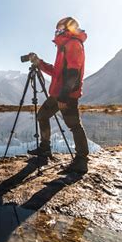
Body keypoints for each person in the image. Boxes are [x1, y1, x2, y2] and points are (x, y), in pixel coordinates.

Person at [27, 17, 89, 174]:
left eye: (59, 29)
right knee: (42, 116)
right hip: (57, 94)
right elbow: (57, 71)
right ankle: (45, 149)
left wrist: (63, 96)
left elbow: (73, 74)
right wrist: (39, 62)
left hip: (66, 95)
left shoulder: (73, 44)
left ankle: (81, 161)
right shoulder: (64, 46)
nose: (56, 32)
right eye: (56, 29)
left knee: (74, 126)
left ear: (68, 29)